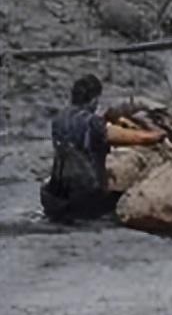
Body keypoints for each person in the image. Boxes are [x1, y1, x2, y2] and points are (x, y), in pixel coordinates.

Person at [41, 74, 164, 221]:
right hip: (85, 195)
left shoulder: (59, 119)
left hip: (58, 192)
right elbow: (138, 138)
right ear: (94, 99)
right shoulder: (93, 124)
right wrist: (159, 135)